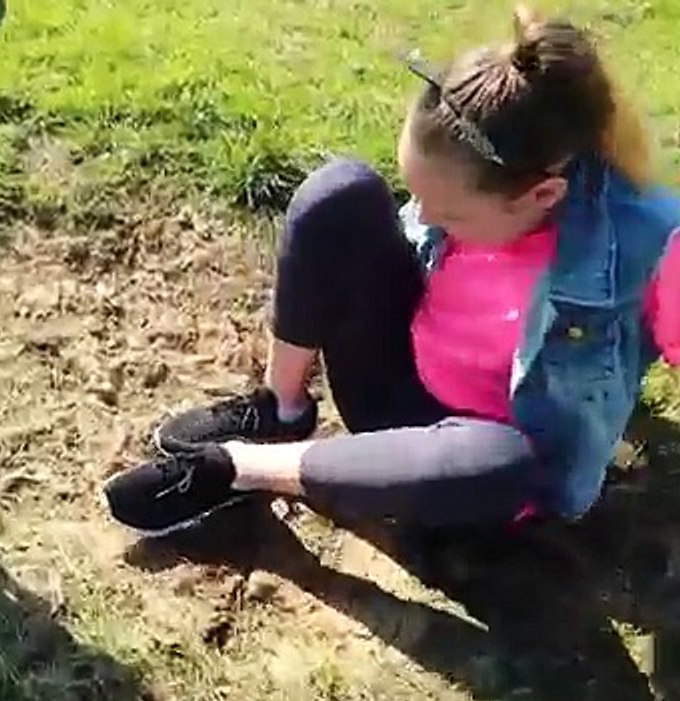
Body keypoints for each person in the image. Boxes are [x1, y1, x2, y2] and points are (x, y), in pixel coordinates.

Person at [104, 5, 680, 538]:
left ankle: (237, 469)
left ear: (542, 195)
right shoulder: (478, 163)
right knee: (341, 193)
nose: (422, 218)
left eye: (449, 214)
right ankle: (281, 408)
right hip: (394, 383)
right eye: (417, 195)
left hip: (476, 457)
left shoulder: (650, 244)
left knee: (502, 465)